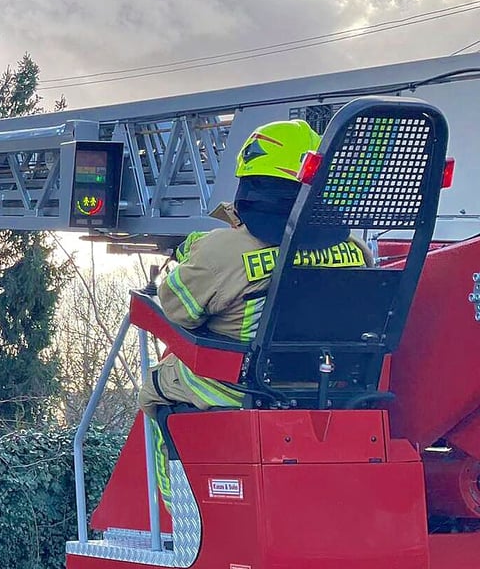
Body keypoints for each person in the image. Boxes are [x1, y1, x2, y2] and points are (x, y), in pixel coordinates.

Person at [138, 119, 373, 510]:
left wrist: (195, 255)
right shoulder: (355, 249)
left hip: (243, 386)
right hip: (330, 387)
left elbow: (177, 312)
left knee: (155, 387)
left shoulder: (221, 252)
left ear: (250, 182)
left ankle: (182, 520)